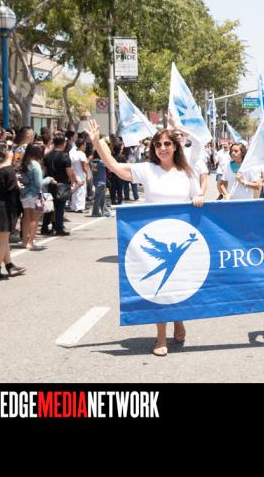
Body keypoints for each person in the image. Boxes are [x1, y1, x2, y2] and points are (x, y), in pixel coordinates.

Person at [88, 118, 203, 357]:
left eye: (167, 143)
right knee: (159, 287)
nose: (162, 148)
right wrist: (97, 142)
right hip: (155, 237)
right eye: (158, 144)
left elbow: (197, 192)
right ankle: (160, 337)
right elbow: (115, 167)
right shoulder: (147, 169)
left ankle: (178, 320)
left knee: (178, 285)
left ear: (175, 146)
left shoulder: (187, 172)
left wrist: (198, 197)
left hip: (180, 238)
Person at [0, 142, 26, 279]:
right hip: (3, 208)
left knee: (2, 239)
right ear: (5, 152)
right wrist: (18, 185)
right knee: (1, 240)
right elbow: (13, 190)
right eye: (9, 149)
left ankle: (9, 266)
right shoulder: (8, 170)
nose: (12, 151)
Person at [19, 144, 53, 251]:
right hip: (34, 195)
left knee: (26, 218)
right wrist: (49, 179)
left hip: (24, 194)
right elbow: (39, 183)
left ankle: (24, 240)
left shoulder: (24, 163)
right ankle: (30, 242)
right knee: (34, 219)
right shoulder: (35, 165)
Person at [43, 134, 78, 237]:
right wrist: (73, 182)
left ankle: (45, 227)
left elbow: (44, 169)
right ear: (64, 143)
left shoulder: (48, 155)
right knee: (60, 207)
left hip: (50, 183)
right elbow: (69, 172)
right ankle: (59, 227)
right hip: (62, 184)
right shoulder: (64, 156)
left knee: (49, 206)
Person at [68, 139, 89, 213]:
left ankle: (73, 206)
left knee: (75, 191)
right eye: (85, 145)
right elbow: (84, 167)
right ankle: (80, 207)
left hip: (74, 174)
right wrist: (88, 174)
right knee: (81, 191)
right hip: (80, 174)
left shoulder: (72, 153)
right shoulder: (82, 154)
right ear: (82, 145)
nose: (85, 147)